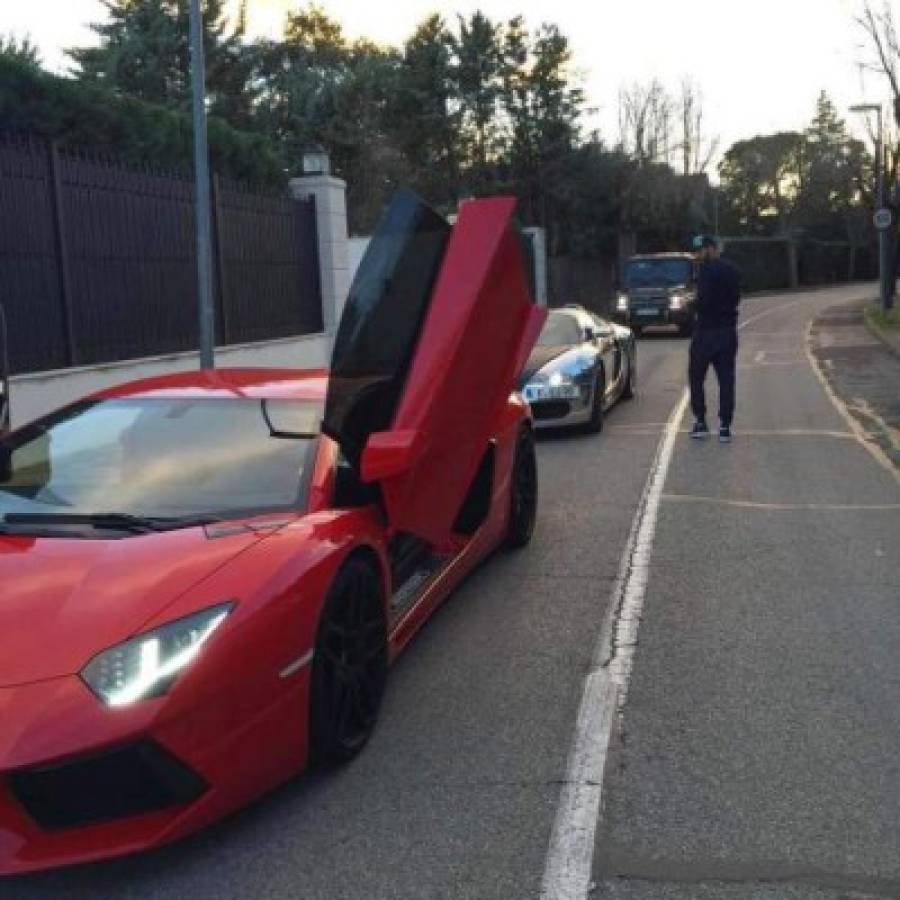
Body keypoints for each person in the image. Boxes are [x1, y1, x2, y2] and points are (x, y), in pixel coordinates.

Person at [688, 235, 741, 443]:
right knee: (726, 378)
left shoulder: (705, 272)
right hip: (728, 331)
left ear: (711, 249)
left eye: (701, 250)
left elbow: (703, 301)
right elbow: (737, 297)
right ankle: (725, 426)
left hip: (706, 331)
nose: (699, 255)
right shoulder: (732, 270)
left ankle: (700, 421)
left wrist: (693, 306)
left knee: (696, 376)